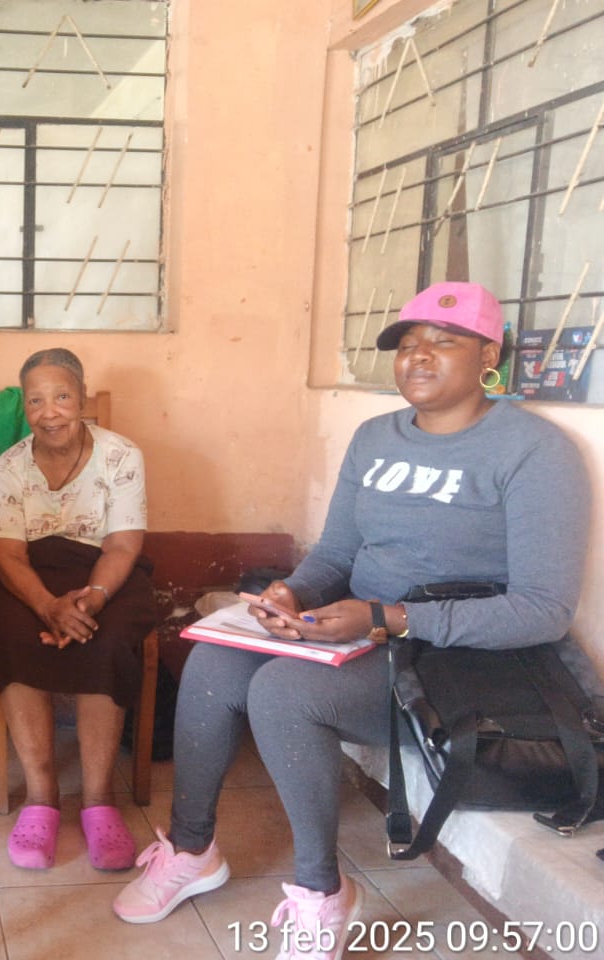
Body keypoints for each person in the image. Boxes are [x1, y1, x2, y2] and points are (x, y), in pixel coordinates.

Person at [112, 282, 592, 960]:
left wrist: (388, 617)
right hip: (361, 632)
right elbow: (337, 554)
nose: (418, 356)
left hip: (455, 662)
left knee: (284, 692)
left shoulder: (534, 451)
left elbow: (542, 610)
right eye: (408, 344)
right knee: (214, 661)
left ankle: (323, 893)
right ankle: (192, 850)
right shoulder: (375, 438)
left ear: (490, 354)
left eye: (443, 342)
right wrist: (292, 593)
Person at [0, 347, 156, 871]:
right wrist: (48, 606)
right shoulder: (9, 467)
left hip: (103, 571)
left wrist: (91, 599)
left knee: (110, 636)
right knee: (14, 634)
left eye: (61, 397)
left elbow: (122, 545)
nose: (49, 412)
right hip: (29, 574)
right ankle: (42, 797)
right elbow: (6, 553)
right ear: (25, 408)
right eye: (36, 401)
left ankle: (98, 800)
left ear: (82, 399)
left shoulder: (122, 456)